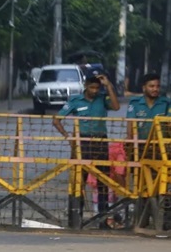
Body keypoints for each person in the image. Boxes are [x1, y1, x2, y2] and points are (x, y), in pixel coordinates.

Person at [52, 73, 120, 227]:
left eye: (97, 88)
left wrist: (108, 85)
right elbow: (56, 120)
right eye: (92, 87)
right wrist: (68, 137)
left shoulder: (103, 99)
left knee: (103, 181)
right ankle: (75, 219)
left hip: (100, 142)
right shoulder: (75, 101)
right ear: (86, 86)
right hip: (82, 143)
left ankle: (103, 220)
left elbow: (116, 107)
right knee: (78, 181)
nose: (95, 91)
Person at [126, 73, 171, 159]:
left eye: (158, 86)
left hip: (161, 147)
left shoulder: (167, 103)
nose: (155, 89)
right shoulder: (134, 103)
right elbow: (130, 124)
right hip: (140, 146)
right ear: (144, 88)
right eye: (151, 86)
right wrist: (129, 141)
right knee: (136, 171)